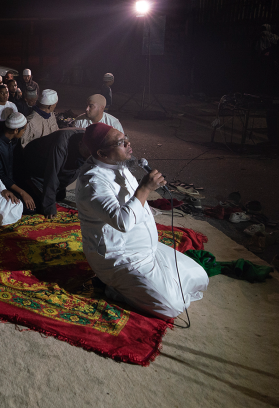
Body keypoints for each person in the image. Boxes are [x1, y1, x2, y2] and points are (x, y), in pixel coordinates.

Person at [76, 123, 209, 319]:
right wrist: (145, 189)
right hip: (121, 259)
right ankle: (114, 288)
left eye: (126, 137)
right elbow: (122, 222)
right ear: (102, 154)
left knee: (200, 278)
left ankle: (144, 287)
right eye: (121, 142)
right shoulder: (93, 182)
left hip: (150, 249)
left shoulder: (117, 163)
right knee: (171, 307)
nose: (128, 143)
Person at [18, 128, 88, 217]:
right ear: (80, 144)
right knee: (35, 206)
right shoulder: (62, 142)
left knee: (59, 196)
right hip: (34, 166)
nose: (89, 158)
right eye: (87, 154)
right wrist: (49, 206)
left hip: (55, 167)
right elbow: (52, 173)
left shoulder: (94, 142)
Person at [0, 113, 36, 211]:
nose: (24, 132)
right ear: (15, 130)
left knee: (38, 201)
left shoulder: (14, 140)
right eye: (24, 130)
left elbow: (19, 164)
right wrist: (22, 193)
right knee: (26, 208)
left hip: (14, 181)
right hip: (2, 186)